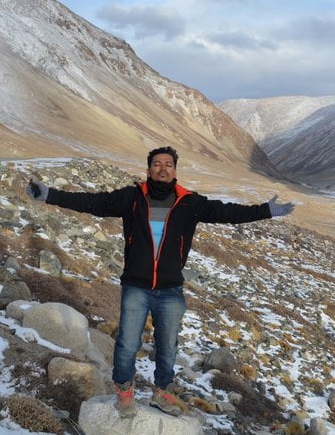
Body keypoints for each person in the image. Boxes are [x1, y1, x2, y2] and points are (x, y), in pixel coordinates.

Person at [26, 146, 294, 418]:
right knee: (127, 344)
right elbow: (93, 202)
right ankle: (124, 394)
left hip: (170, 289)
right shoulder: (132, 197)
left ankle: (161, 394)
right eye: (157, 164)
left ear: (175, 170)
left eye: (168, 164)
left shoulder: (189, 202)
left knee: (167, 347)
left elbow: (227, 213)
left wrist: (266, 211)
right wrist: (49, 194)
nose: (163, 168)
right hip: (136, 287)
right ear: (148, 169)